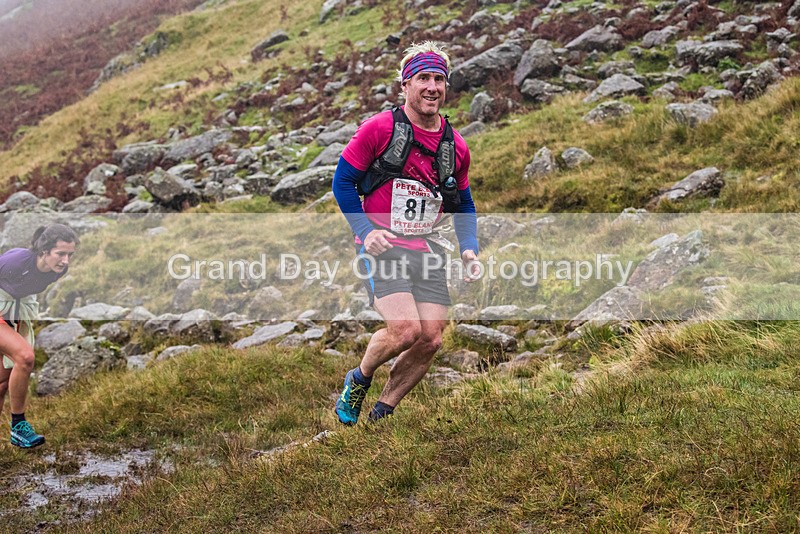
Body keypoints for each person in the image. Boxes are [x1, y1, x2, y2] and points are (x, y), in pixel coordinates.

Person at [332, 41, 479, 425]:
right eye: (423, 79)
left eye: (439, 79)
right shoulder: (379, 129)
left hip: (428, 248)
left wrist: (469, 249)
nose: (432, 87)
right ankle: (359, 379)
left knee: (431, 339)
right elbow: (342, 182)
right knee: (404, 330)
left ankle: (381, 415)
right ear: (405, 85)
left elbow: (464, 203)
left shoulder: (454, 145)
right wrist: (365, 232)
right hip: (383, 246)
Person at [0, 223, 79, 448]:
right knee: (25, 357)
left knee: (3, 382)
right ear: (44, 252)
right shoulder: (15, 263)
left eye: (70, 255)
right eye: (60, 254)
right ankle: (18, 426)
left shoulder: (59, 270)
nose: (65, 261)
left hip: (12, 312)